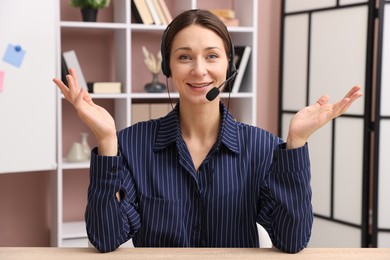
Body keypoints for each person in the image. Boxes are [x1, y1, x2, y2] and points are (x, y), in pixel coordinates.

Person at [53, 9, 362, 254]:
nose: (199, 70)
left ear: (229, 65)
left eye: (212, 56)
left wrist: (296, 143)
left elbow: (293, 240)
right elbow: (106, 238)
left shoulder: (261, 147)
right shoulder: (133, 143)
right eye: (184, 56)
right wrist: (107, 141)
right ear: (168, 68)